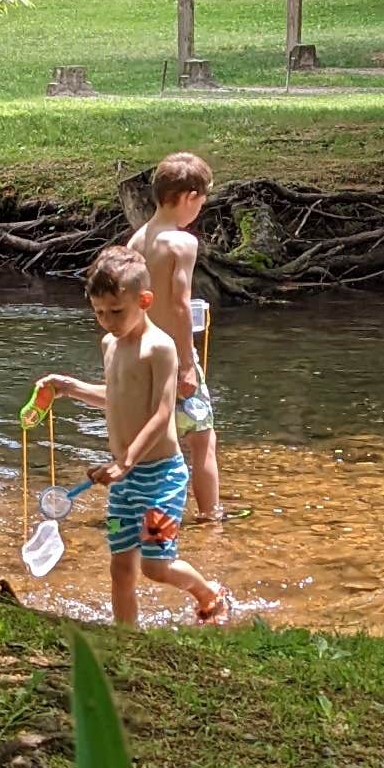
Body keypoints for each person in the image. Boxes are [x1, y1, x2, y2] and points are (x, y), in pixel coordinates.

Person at [31, 243, 232, 627]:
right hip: (124, 481)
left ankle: (210, 594)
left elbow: (161, 413)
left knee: (157, 564)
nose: (107, 320)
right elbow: (117, 397)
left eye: (116, 311)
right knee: (120, 567)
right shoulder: (110, 344)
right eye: (99, 313)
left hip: (161, 479)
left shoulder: (160, 348)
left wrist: (125, 461)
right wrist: (68, 386)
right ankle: (126, 638)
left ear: (144, 299)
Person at [136, 148, 220, 520]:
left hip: (142, 354)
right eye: (201, 200)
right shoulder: (182, 243)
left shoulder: (136, 240)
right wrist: (187, 364)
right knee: (202, 441)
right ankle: (209, 515)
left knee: (156, 443)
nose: (199, 209)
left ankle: (149, 514)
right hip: (173, 354)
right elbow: (182, 304)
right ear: (189, 197)